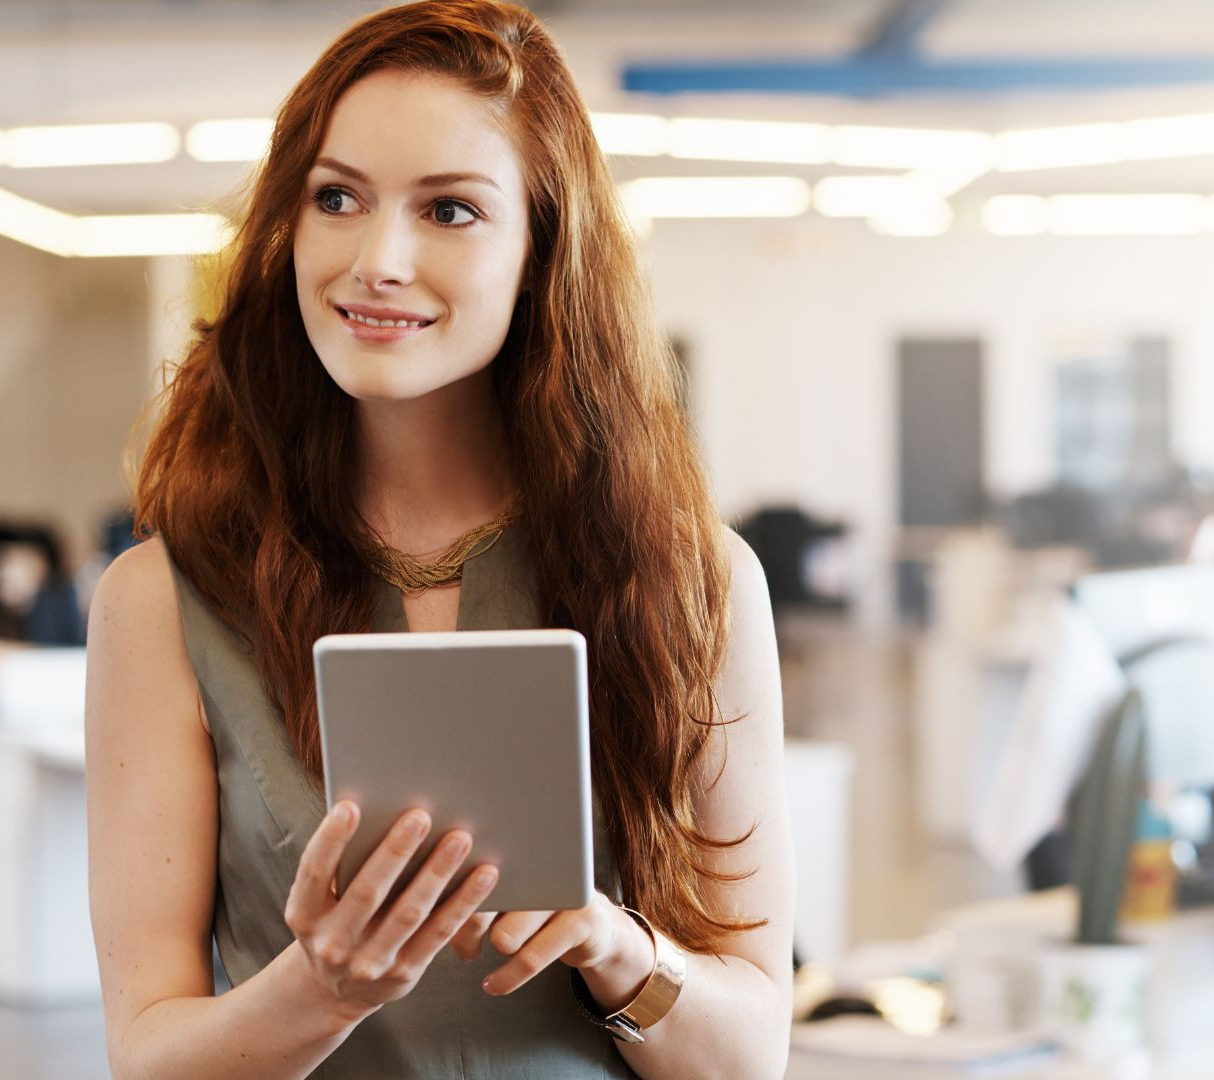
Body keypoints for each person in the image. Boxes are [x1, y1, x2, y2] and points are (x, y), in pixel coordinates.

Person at [83, 2, 794, 1077]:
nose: (378, 259)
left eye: (451, 211)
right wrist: (318, 992)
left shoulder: (695, 583)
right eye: (337, 199)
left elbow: (752, 1057)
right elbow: (148, 1058)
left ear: (539, 249)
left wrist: (617, 949)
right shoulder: (162, 602)